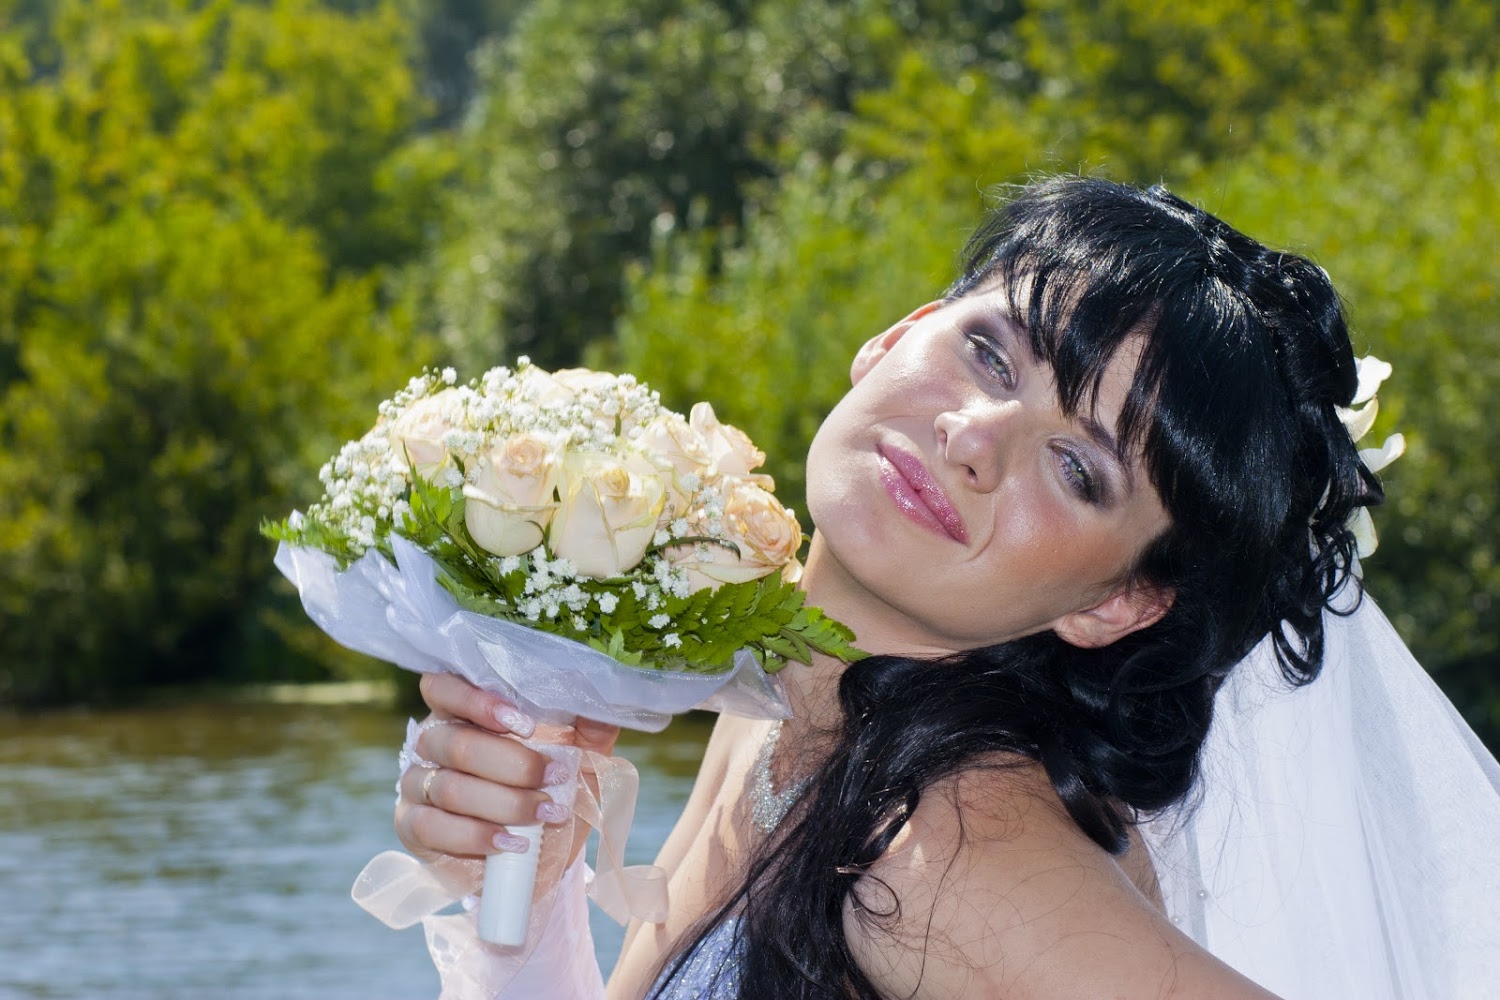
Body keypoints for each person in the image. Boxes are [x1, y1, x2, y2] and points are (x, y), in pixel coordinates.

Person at [385, 176, 1500, 999]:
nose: (976, 439)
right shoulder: (788, 710)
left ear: (1116, 601)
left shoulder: (949, 851)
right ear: (897, 336)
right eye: (992, 356)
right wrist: (522, 884)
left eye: (1078, 469)